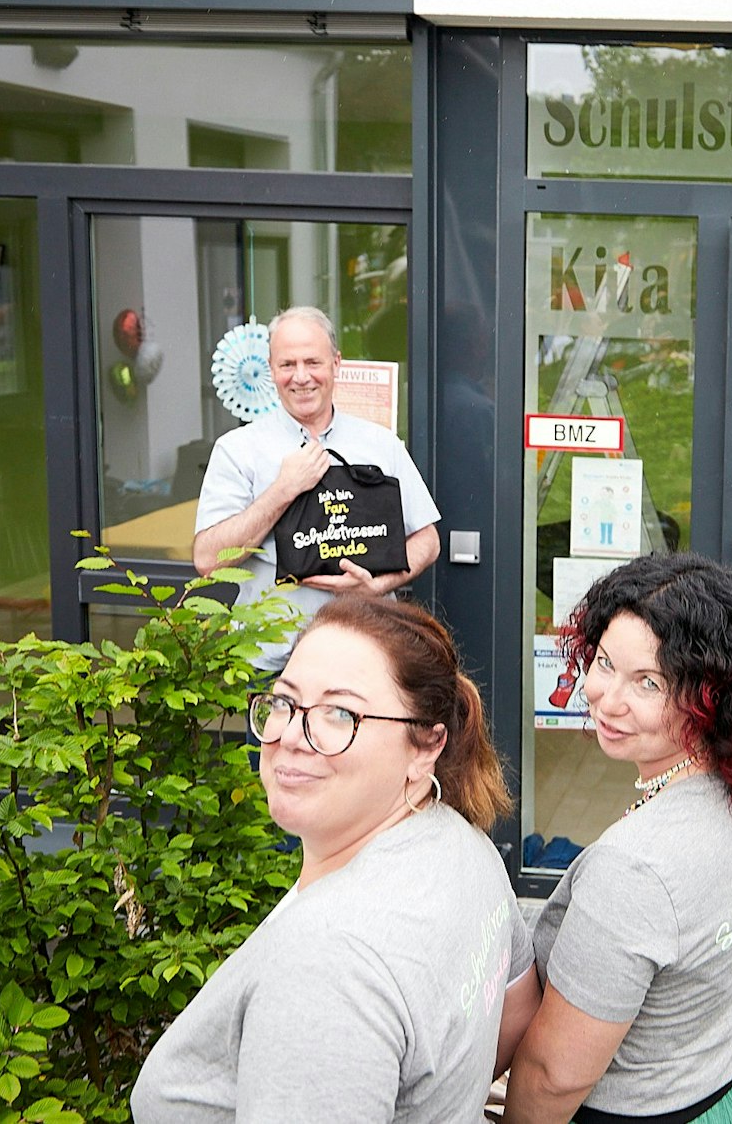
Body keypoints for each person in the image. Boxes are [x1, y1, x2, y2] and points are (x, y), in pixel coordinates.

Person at [131, 596, 538, 1121]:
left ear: (425, 745)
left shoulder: (326, 967)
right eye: (284, 702)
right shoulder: (464, 845)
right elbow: (516, 1010)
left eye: (340, 713)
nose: (292, 737)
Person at [507, 555, 732, 1123]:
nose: (606, 697)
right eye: (604, 663)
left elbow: (555, 1075)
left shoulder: (635, 868)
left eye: (647, 682)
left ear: (714, 695)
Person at [192, 306, 441, 671]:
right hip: (274, 668)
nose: (301, 377)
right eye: (287, 364)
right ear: (271, 369)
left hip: (368, 658)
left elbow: (427, 540)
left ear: (336, 364)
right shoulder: (237, 450)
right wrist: (282, 491)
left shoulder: (380, 444)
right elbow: (208, 560)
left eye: (313, 362)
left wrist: (376, 585)